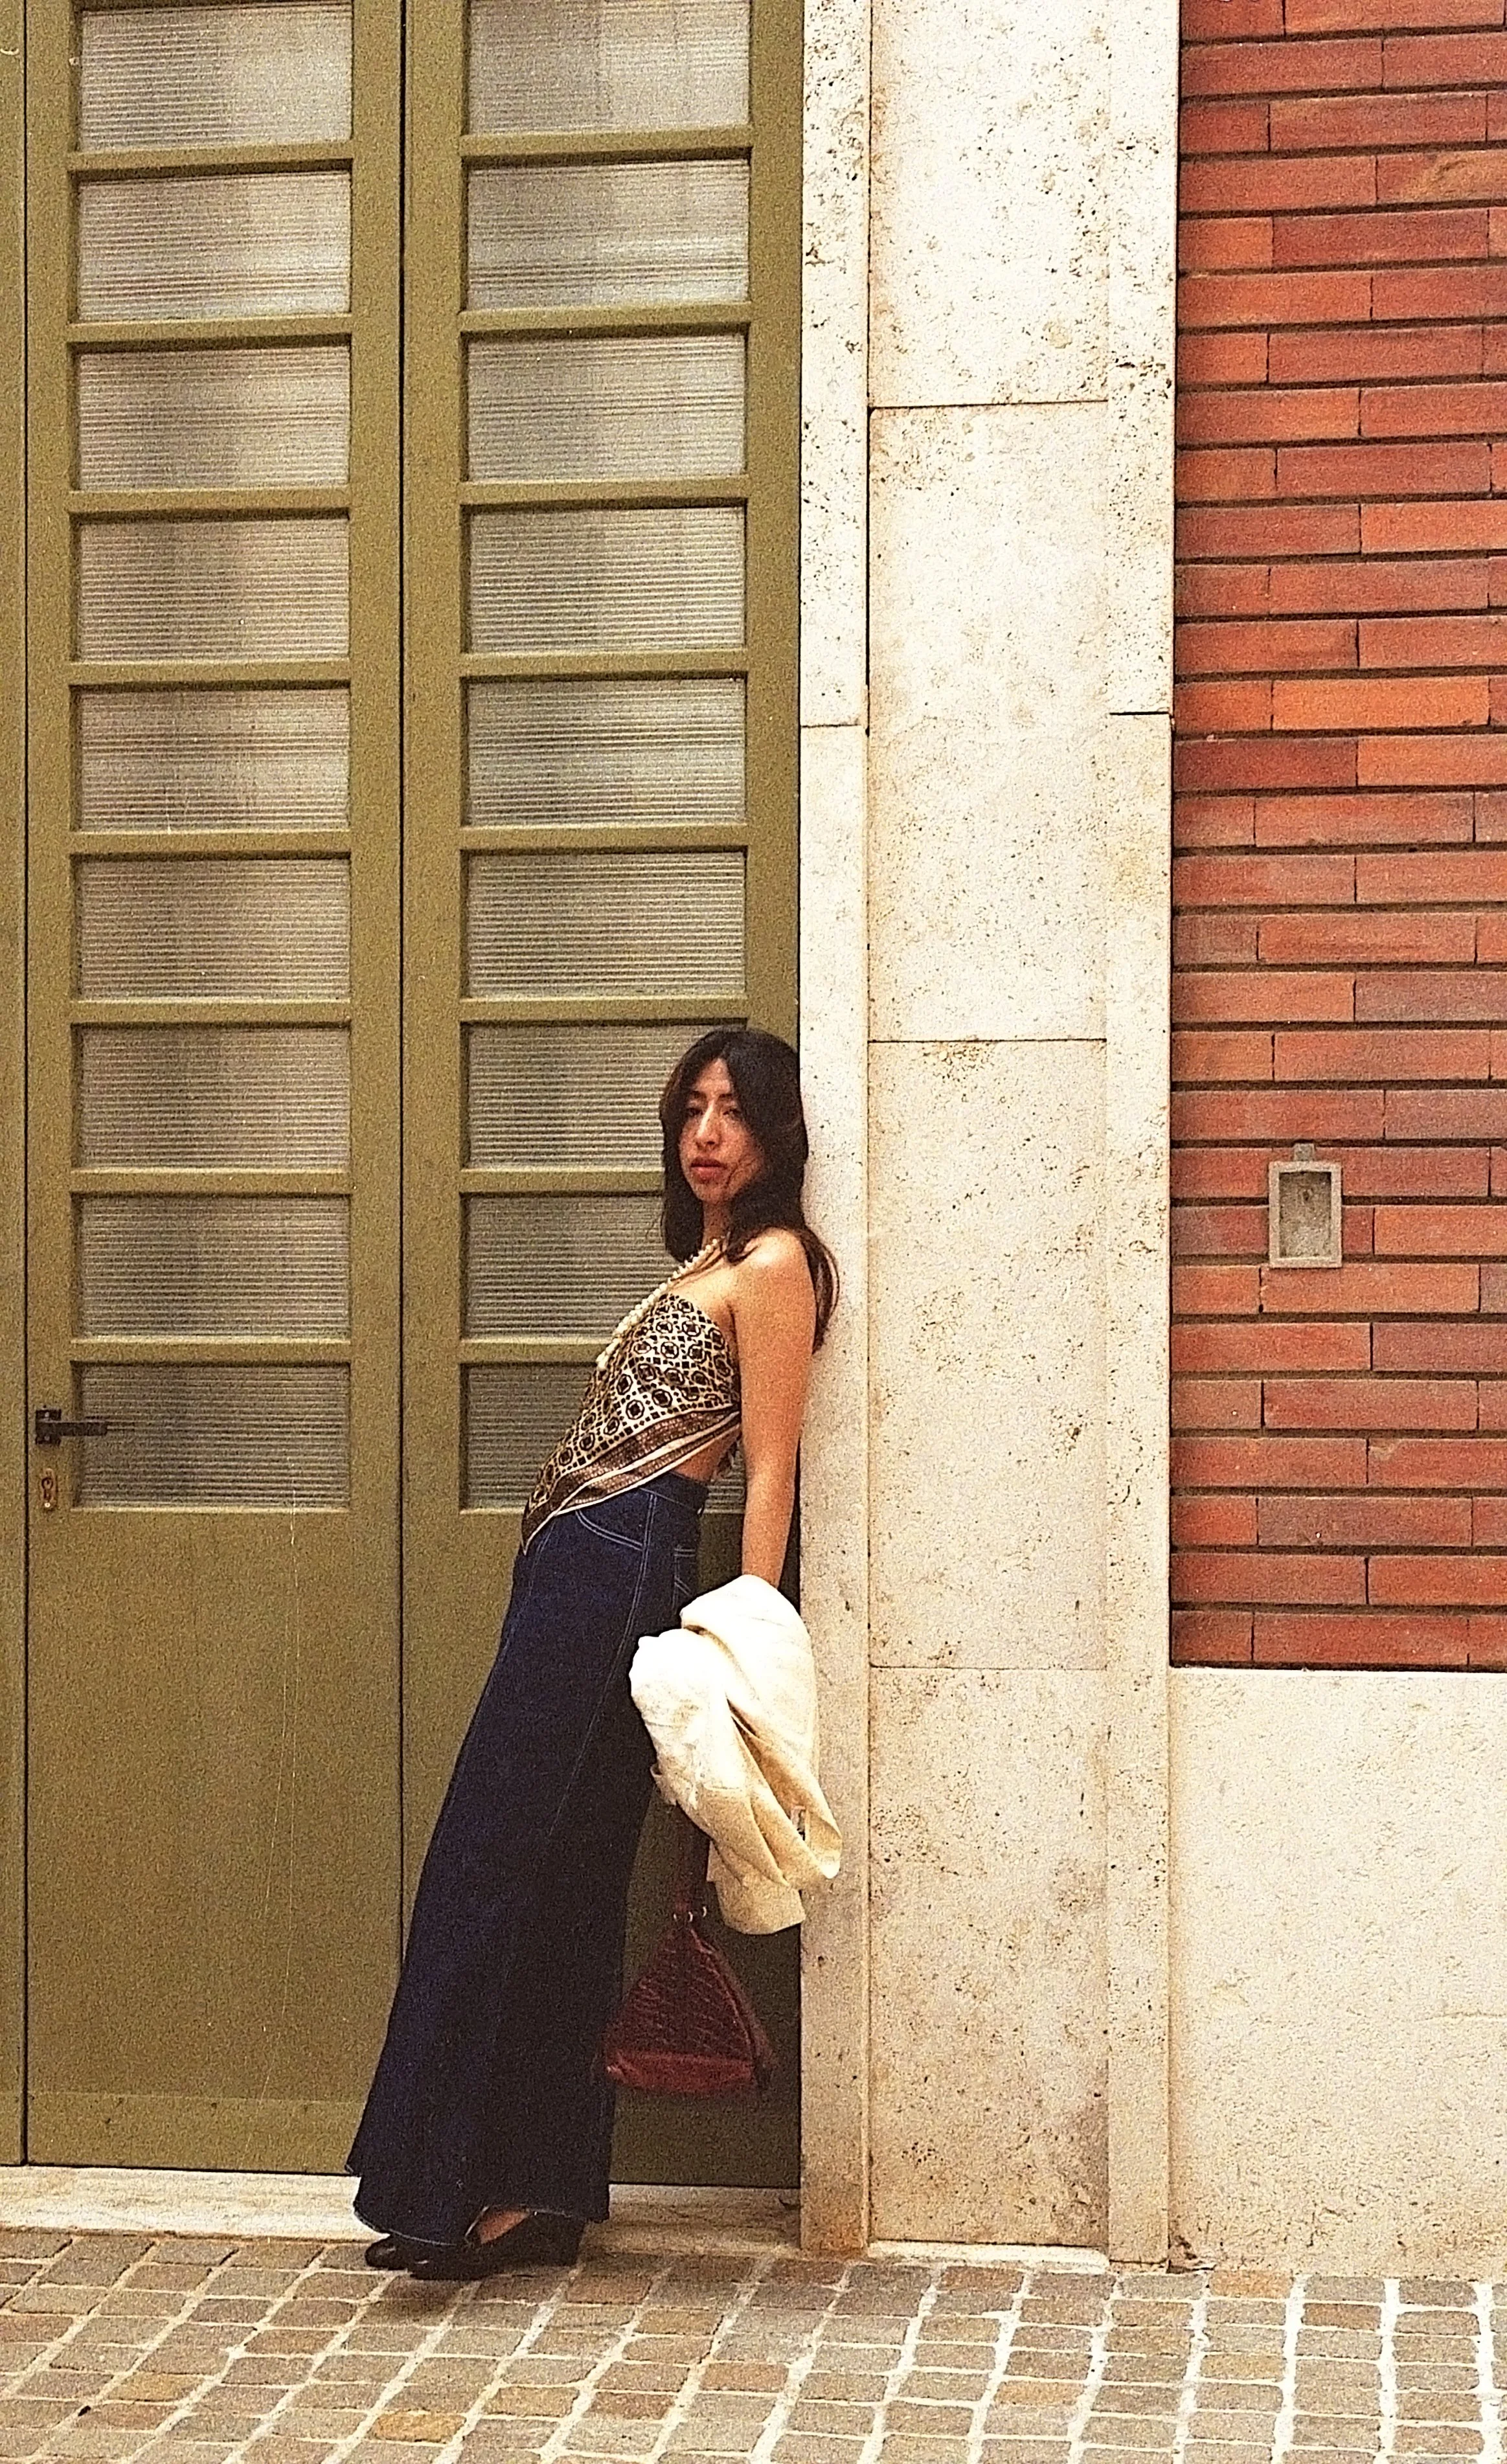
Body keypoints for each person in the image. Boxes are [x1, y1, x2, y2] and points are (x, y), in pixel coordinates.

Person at [347, 1026, 837, 2279]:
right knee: (555, 1880)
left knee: (498, 1864)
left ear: (779, 1133)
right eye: (692, 1109)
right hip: (572, 1571)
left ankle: (458, 2188)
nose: (707, 1133)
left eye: (735, 1110)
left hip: (624, 1573)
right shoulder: (710, 1261)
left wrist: (741, 1634)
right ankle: (531, 2194)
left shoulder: (776, 1264)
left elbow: (771, 1464)